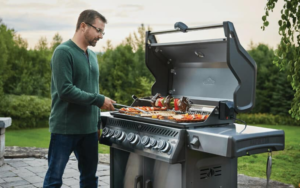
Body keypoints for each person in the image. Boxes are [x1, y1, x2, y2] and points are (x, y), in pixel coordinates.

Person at [43, 9, 115, 188]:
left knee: (90, 178)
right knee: (54, 179)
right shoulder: (63, 52)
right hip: (65, 129)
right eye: (98, 30)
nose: (100, 36)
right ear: (83, 26)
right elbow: (65, 91)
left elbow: (92, 88)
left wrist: (96, 123)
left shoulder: (92, 55)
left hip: (89, 129)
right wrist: (99, 100)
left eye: (102, 32)